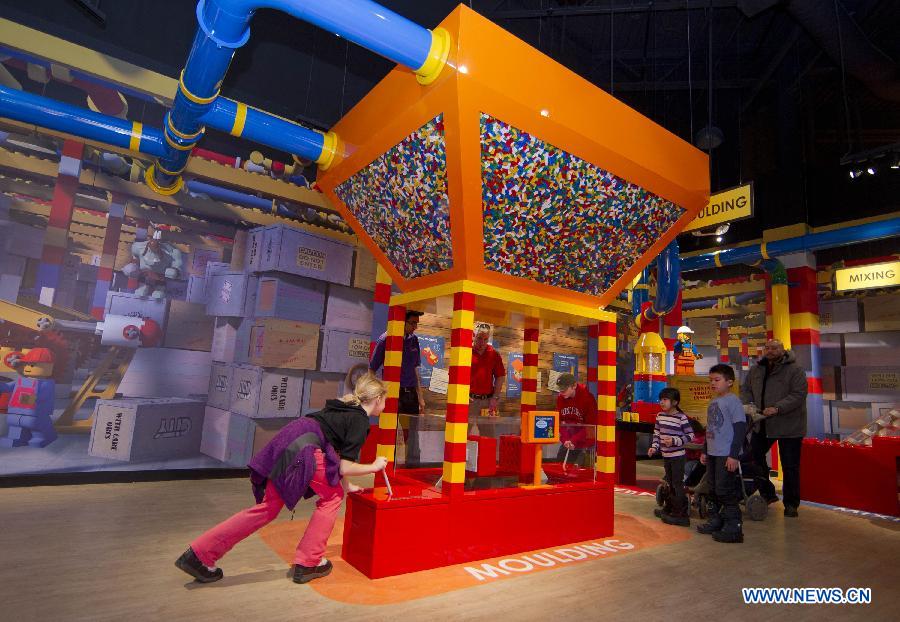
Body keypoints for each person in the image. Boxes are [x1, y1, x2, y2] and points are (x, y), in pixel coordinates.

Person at [175, 374, 389, 585]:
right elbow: (344, 465)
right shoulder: (360, 419)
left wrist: (349, 485)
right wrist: (374, 467)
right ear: (378, 398)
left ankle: (198, 555)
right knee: (332, 497)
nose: (385, 405)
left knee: (268, 507)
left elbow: (335, 457)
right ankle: (308, 562)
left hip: (289, 439)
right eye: (385, 400)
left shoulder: (344, 408)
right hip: (305, 447)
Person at [740, 338, 808, 517]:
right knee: (754, 456)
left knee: (790, 466)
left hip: (790, 426)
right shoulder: (756, 370)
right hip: (762, 423)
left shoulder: (795, 370)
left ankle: (791, 504)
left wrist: (778, 408)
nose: (770, 350)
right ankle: (767, 493)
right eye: (767, 348)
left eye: (775, 348)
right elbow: (745, 389)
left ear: (783, 350)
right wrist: (749, 404)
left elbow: (799, 394)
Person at [696, 364, 747, 543]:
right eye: (710, 380)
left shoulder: (733, 401)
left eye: (717, 380)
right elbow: (710, 429)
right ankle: (715, 520)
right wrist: (705, 451)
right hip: (713, 453)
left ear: (730, 382)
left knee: (725, 489)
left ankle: (734, 526)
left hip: (726, 454)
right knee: (713, 489)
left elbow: (740, 428)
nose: (713, 383)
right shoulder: (713, 402)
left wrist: (733, 455)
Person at [370, 310, 426, 465]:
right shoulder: (385, 339)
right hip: (393, 393)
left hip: (410, 394)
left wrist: (420, 397)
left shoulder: (414, 340)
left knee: (412, 433)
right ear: (403, 321)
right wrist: (377, 394)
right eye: (413, 323)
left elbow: (415, 370)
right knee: (391, 433)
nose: (415, 326)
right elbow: (372, 369)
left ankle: (412, 468)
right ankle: (388, 468)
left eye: (417, 323)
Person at [648, 388, 694, 526]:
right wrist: (654, 447)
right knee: (668, 482)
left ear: (675, 402)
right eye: (661, 399)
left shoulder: (681, 417)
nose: (662, 402)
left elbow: (690, 435)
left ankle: (680, 513)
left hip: (678, 457)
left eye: (665, 399)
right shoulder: (660, 416)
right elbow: (657, 434)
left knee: (677, 483)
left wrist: (675, 441)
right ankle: (669, 508)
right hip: (666, 455)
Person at [469, 326, 505, 436]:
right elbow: (455, 375)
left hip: (487, 402)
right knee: (460, 435)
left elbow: (500, 376)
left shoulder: (493, 354)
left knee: (489, 437)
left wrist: (495, 397)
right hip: (469, 401)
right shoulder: (466, 352)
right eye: (480, 338)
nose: (482, 342)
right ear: (474, 337)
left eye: (486, 339)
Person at [555, 372, 598, 467]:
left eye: (564, 390)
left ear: (574, 385)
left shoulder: (588, 399)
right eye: (560, 390)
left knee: (581, 474)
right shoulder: (560, 398)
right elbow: (560, 422)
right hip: (568, 442)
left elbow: (591, 426)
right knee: (559, 467)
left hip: (585, 443)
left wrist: (574, 440)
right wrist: (565, 440)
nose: (561, 393)